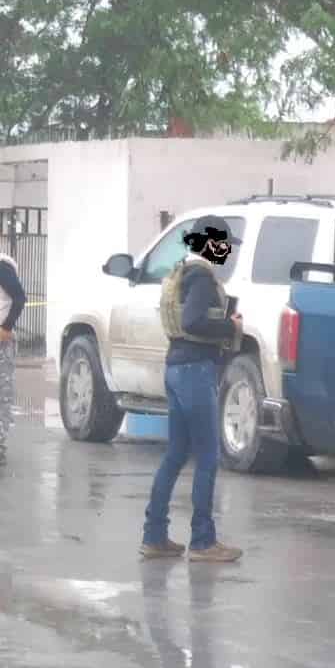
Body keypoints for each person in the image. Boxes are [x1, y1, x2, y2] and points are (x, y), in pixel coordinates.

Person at [141, 215, 244, 562]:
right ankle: (202, 541)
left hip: (176, 368)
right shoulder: (200, 277)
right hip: (195, 371)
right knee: (208, 457)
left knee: (176, 454)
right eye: (224, 245)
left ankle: (154, 536)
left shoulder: (182, 271)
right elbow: (193, 321)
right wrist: (230, 325)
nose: (227, 252)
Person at [0, 249, 27, 466]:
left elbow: (19, 297)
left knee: (1, 395)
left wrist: (6, 327)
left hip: (2, 341)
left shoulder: (3, 267)